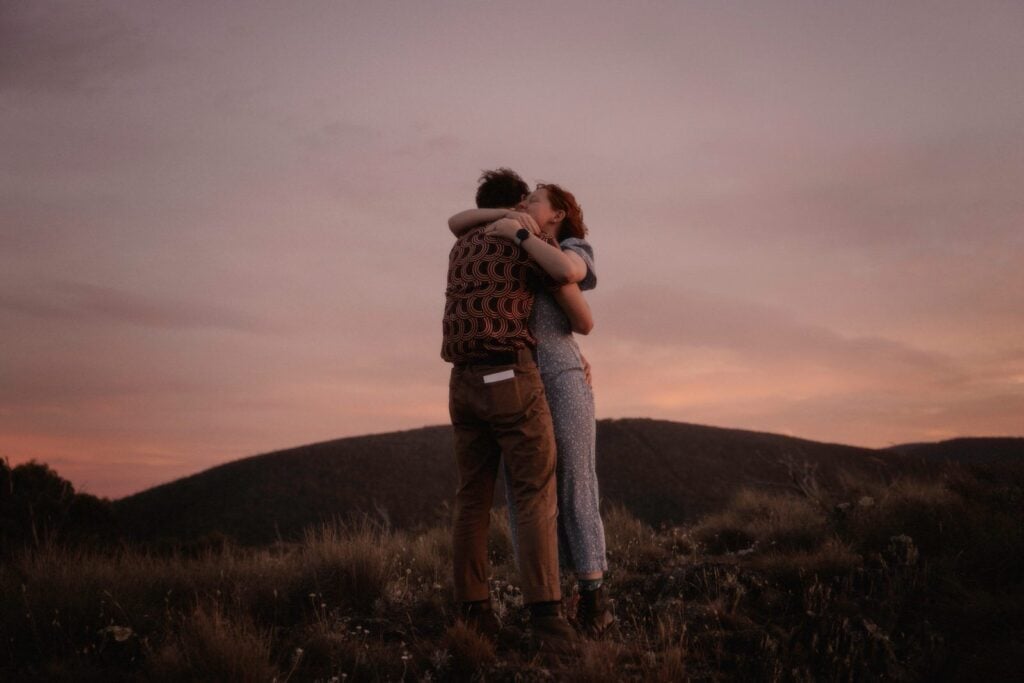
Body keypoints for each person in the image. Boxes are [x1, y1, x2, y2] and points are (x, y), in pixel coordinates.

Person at [447, 182, 614, 637]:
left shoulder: (559, 246)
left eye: (533, 201)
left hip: (558, 377)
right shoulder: (505, 241)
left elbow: (583, 320)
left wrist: (525, 238)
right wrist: (509, 226)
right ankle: (546, 596)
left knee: (575, 482)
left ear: (556, 213)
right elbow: (458, 222)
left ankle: (593, 593)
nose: (525, 207)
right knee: (531, 495)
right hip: (521, 380)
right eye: (521, 201)